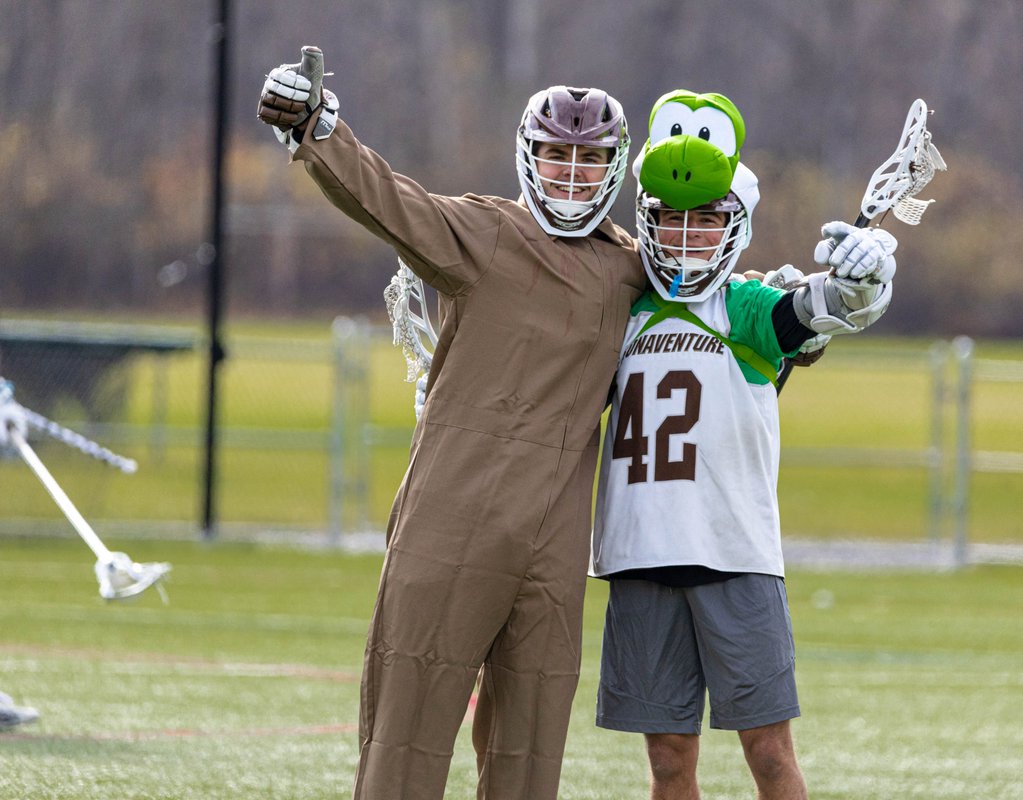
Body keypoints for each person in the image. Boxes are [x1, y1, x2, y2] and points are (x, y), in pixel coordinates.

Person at [258, 47, 645, 799]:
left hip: (556, 538)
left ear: (615, 166)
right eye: (555, 156)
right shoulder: (487, 231)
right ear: (528, 158)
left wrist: (816, 311)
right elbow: (390, 199)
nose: (571, 172)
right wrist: (318, 127)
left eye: (588, 158)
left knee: (531, 753)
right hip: (451, 517)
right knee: (407, 737)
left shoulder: (631, 268)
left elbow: (720, 317)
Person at [589, 90, 897, 800]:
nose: (687, 234)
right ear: (648, 219)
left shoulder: (746, 306)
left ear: (736, 224)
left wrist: (863, 279)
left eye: (706, 221)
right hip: (640, 555)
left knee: (769, 753)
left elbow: (820, 309)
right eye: (671, 219)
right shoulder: (616, 312)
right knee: (668, 760)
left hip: (736, 556)